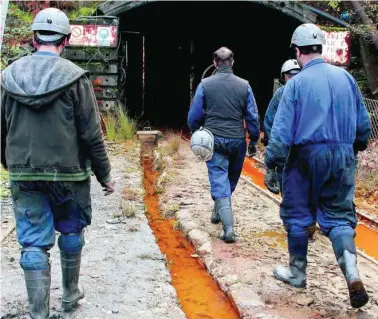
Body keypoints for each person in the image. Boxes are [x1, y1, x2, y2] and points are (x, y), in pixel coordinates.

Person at [1, 8, 115, 318]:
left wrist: (9, 163)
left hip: (24, 172)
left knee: (33, 244)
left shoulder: (8, 77)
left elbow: (2, 128)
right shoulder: (75, 79)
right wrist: (105, 175)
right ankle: (68, 297)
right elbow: (92, 135)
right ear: (65, 40)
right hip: (70, 175)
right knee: (70, 231)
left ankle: (39, 313)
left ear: (33, 38)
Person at [264, 23, 371, 309]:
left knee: (298, 214)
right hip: (342, 154)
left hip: (305, 156)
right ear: (321, 48)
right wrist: (353, 149)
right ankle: (352, 273)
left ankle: (297, 274)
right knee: (338, 217)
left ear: (297, 51)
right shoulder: (346, 79)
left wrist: (273, 165)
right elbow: (364, 127)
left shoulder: (295, 85)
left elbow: (282, 133)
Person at [187, 47, 260, 243]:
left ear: (215, 62)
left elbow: (194, 114)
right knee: (231, 178)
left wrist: (196, 130)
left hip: (214, 138)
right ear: (233, 62)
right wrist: (253, 140)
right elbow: (252, 116)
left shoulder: (205, 84)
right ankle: (219, 212)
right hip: (237, 140)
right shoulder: (245, 86)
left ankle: (228, 229)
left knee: (219, 177)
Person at [262, 59, 301, 194]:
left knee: (289, 197)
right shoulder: (313, 91)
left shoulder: (281, 93)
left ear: (284, 76)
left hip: (286, 154)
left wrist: (271, 164)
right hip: (313, 156)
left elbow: (270, 123)